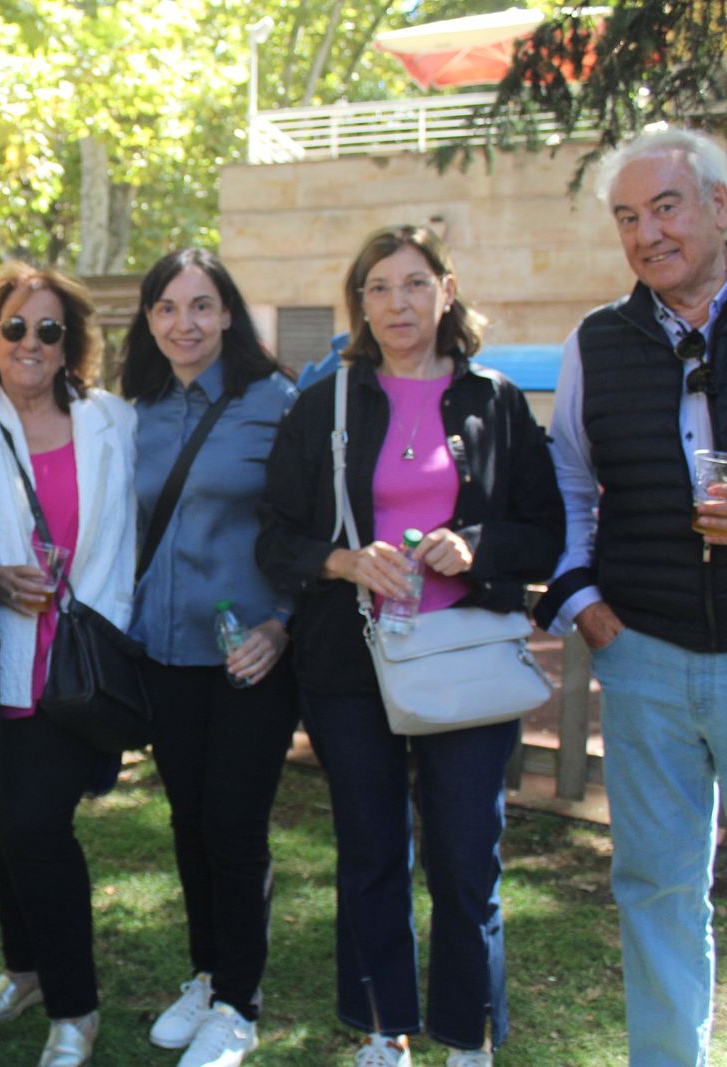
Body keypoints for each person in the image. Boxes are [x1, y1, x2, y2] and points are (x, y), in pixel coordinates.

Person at [256, 225, 562, 1067]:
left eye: (415, 284)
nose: (398, 303)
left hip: (464, 661)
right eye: (380, 288)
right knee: (372, 852)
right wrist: (344, 559)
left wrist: (478, 548)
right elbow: (275, 536)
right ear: (360, 304)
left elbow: (545, 529)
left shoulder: (494, 401)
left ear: (447, 291)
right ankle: (384, 1025)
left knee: (466, 857)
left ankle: (468, 1035)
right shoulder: (325, 404)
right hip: (350, 664)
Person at [532, 127, 727, 1067]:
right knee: (655, 884)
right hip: (644, 655)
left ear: (719, 208)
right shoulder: (596, 341)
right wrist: (578, 598)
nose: (648, 234)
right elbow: (566, 474)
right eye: (626, 218)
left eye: (665, 207)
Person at [120, 249, 298, 1067]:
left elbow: (314, 526)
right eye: (166, 308)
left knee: (233, 822)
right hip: (165, 653)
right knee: (188, 820)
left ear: (229, 313)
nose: (183, 324)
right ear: (148, 320)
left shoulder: (275, 402)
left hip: (252, 655)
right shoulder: (139, 410)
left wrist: (284, 624)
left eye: (200, 306)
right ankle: (206, 972)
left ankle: (239, 1003)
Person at [0, 262, 134, 1067]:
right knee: (0, 824)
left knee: (36, 825)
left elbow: (133, 535)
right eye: (15, 327)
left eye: (49, 329)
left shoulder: (113, 423)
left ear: (71, 345)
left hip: (76, 665)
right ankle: (24, 966)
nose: (31, 342)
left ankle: (75, 1006)